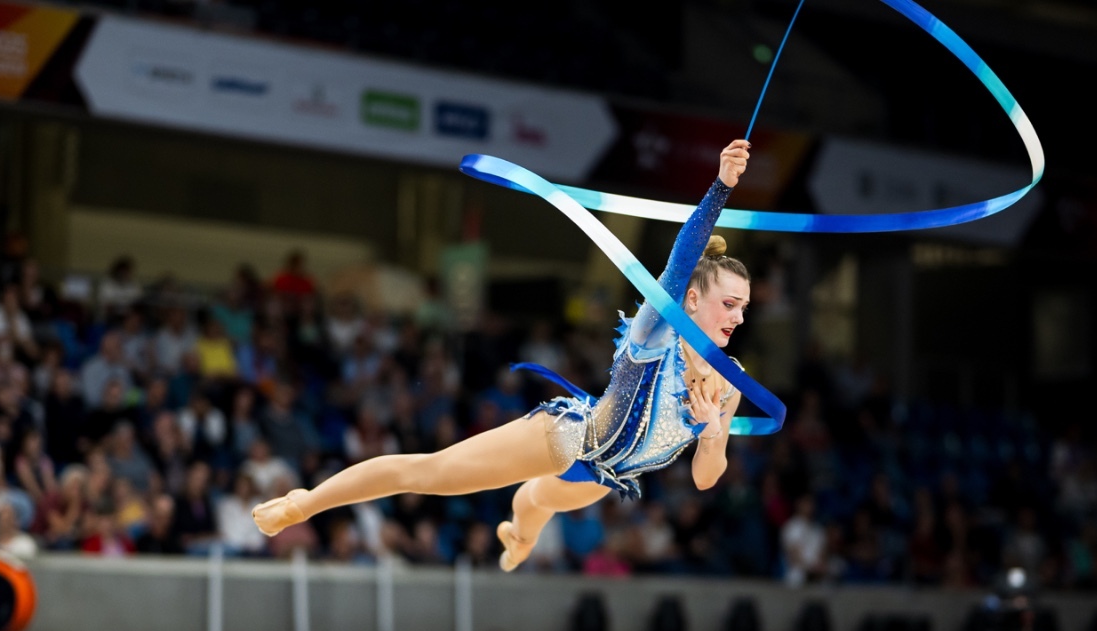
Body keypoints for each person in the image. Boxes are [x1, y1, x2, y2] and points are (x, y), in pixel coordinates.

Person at [254, 140, 755, 573]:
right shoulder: (657, 330)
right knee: (429, 473)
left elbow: (706, 477)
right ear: (691, 300)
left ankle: (519, 537)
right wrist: (721, 187)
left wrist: (713, 431)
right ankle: (304, 503)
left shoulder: (730, 382)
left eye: (744, 308)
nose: (737, 316)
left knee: (534, 503)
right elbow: (681, 259)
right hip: (570, 438)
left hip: (607, 475)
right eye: (728, 304)